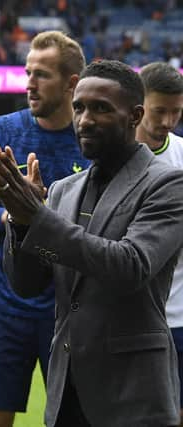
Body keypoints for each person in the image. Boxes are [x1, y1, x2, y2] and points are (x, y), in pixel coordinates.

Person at [0, 59, 183, 427]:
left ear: (135, 115)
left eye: (101, 108)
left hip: (133, 394)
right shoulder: (64, 190)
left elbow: (131, 266)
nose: (85, 120)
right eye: (79, 107)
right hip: (68, 392)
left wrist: (39, 218)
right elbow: (27, 285)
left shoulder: (168, 184)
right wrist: (19, 219)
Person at [0, 30, 89, 427]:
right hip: (6, 305)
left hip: (70, 310)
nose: (29, 84)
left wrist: (44, 215)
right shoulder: (3, 130)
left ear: (72, 84)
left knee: (74, 417)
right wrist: (13, 216)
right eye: (28, 72)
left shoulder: (90, 139)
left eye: (42, 75)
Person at [136, 61, 183, 426]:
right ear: (138, 104)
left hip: (180, 318)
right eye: (159, 111)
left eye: (176, 111)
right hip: (129, 319)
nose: (168, 121)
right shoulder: (112, 155)